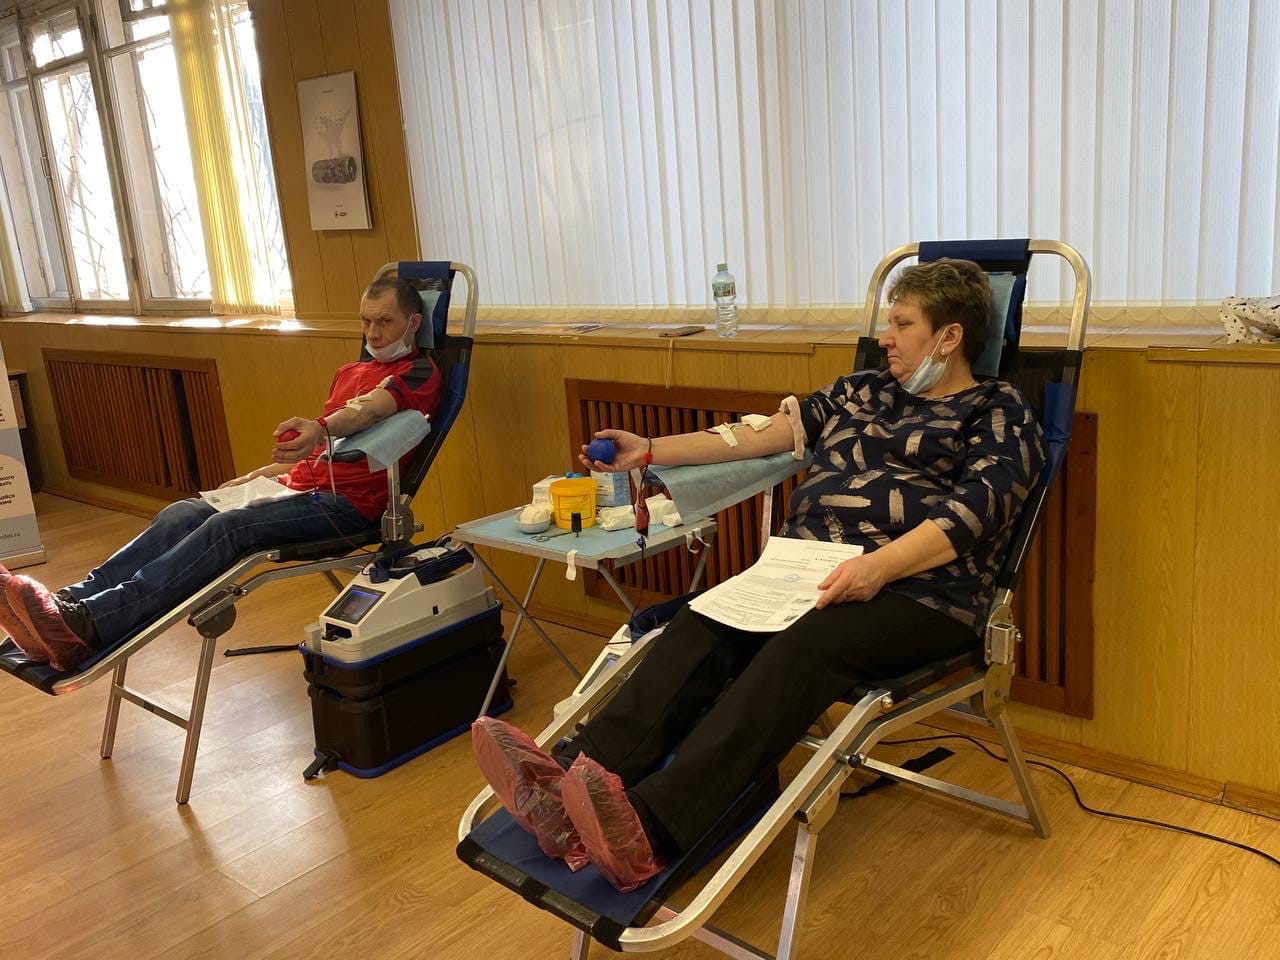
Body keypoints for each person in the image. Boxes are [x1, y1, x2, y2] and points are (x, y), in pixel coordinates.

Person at [471, 258, 1047, 892]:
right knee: (704, 619)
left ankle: (650, 829)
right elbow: (760, 436)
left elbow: (973, 516)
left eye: (902, 324)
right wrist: (651, 449)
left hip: (921, 592)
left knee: (805, 646)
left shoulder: (997, 410)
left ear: (949, 336)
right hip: (808, 573)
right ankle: (565, 786)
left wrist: (876, 568)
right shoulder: (863, 389)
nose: (885, 338)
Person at [0, 278, 442, 672]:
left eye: (385, 322)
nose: (373, 333)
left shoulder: (419, 371)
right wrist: (254, 477)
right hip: (300, 487)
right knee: (183, 512)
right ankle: (66, 605)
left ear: (414, 322)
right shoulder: (350, 371)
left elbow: (368, 411)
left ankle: (94, 622)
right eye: (366, 322)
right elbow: (318, 455)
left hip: (348, 505)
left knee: (229, 527)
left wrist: (319, 427)